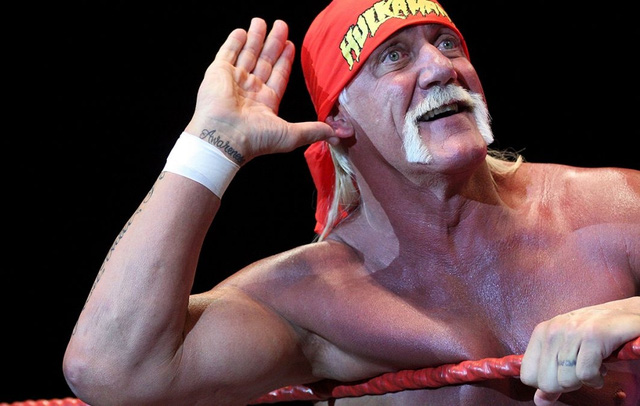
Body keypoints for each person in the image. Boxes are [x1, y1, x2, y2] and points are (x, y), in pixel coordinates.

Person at [63, 0, 640, 405]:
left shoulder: (610, 205)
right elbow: (112, 371)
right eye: (395, 57)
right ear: (337, 117)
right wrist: (210, 148)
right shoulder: (318, 297)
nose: (441, 68)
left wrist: (631, 315)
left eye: (447, 44)